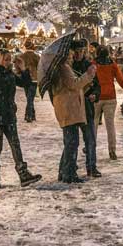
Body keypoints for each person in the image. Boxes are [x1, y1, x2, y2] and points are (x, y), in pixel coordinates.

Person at [0, 48, 42, 189]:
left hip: (9, 114)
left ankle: (23, 174)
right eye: (5, 59)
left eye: (9, 59)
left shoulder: (9, 73)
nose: (7, 62)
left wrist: (23, 68)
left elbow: (25, 83)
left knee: (15, 143)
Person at [51, 51, 96, 184]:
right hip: (68, 109)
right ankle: (69, 173)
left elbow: (73, 86)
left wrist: (86, 83)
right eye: (70, 55)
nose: (72, 57)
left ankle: (64, 171)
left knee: (70, 142)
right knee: (72, 142)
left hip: (68, 108)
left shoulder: (62, 68)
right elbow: (73, 84)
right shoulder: (63, 68)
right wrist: (88, 75)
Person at [94, 45, 123, 161]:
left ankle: (91, 148)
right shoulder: (112, 65)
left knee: (93, 125)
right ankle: (112, 150)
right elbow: (122, 80)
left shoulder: (93, 64)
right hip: (110, 97)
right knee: (110, 125)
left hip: (96, 97)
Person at [71, 40, 101, 178]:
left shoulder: (89, 66)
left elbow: (97, 85)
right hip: (73, 107)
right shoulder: (68, 67)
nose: (79, 54)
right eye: (76, 51)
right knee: (72, 141)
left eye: (81, 51)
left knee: (90, 139)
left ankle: (91, 167)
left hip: (87, 106)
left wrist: (95, 93)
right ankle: (70, 168)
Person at [20, 40, 40, 119]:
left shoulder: (22, 56)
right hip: (33, 78)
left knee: (29, 97)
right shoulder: (36, 56)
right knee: (30, 98)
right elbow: (40, 66)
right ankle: (29, 115)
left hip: (25, 78)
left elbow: (17, 67)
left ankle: (31, 114)